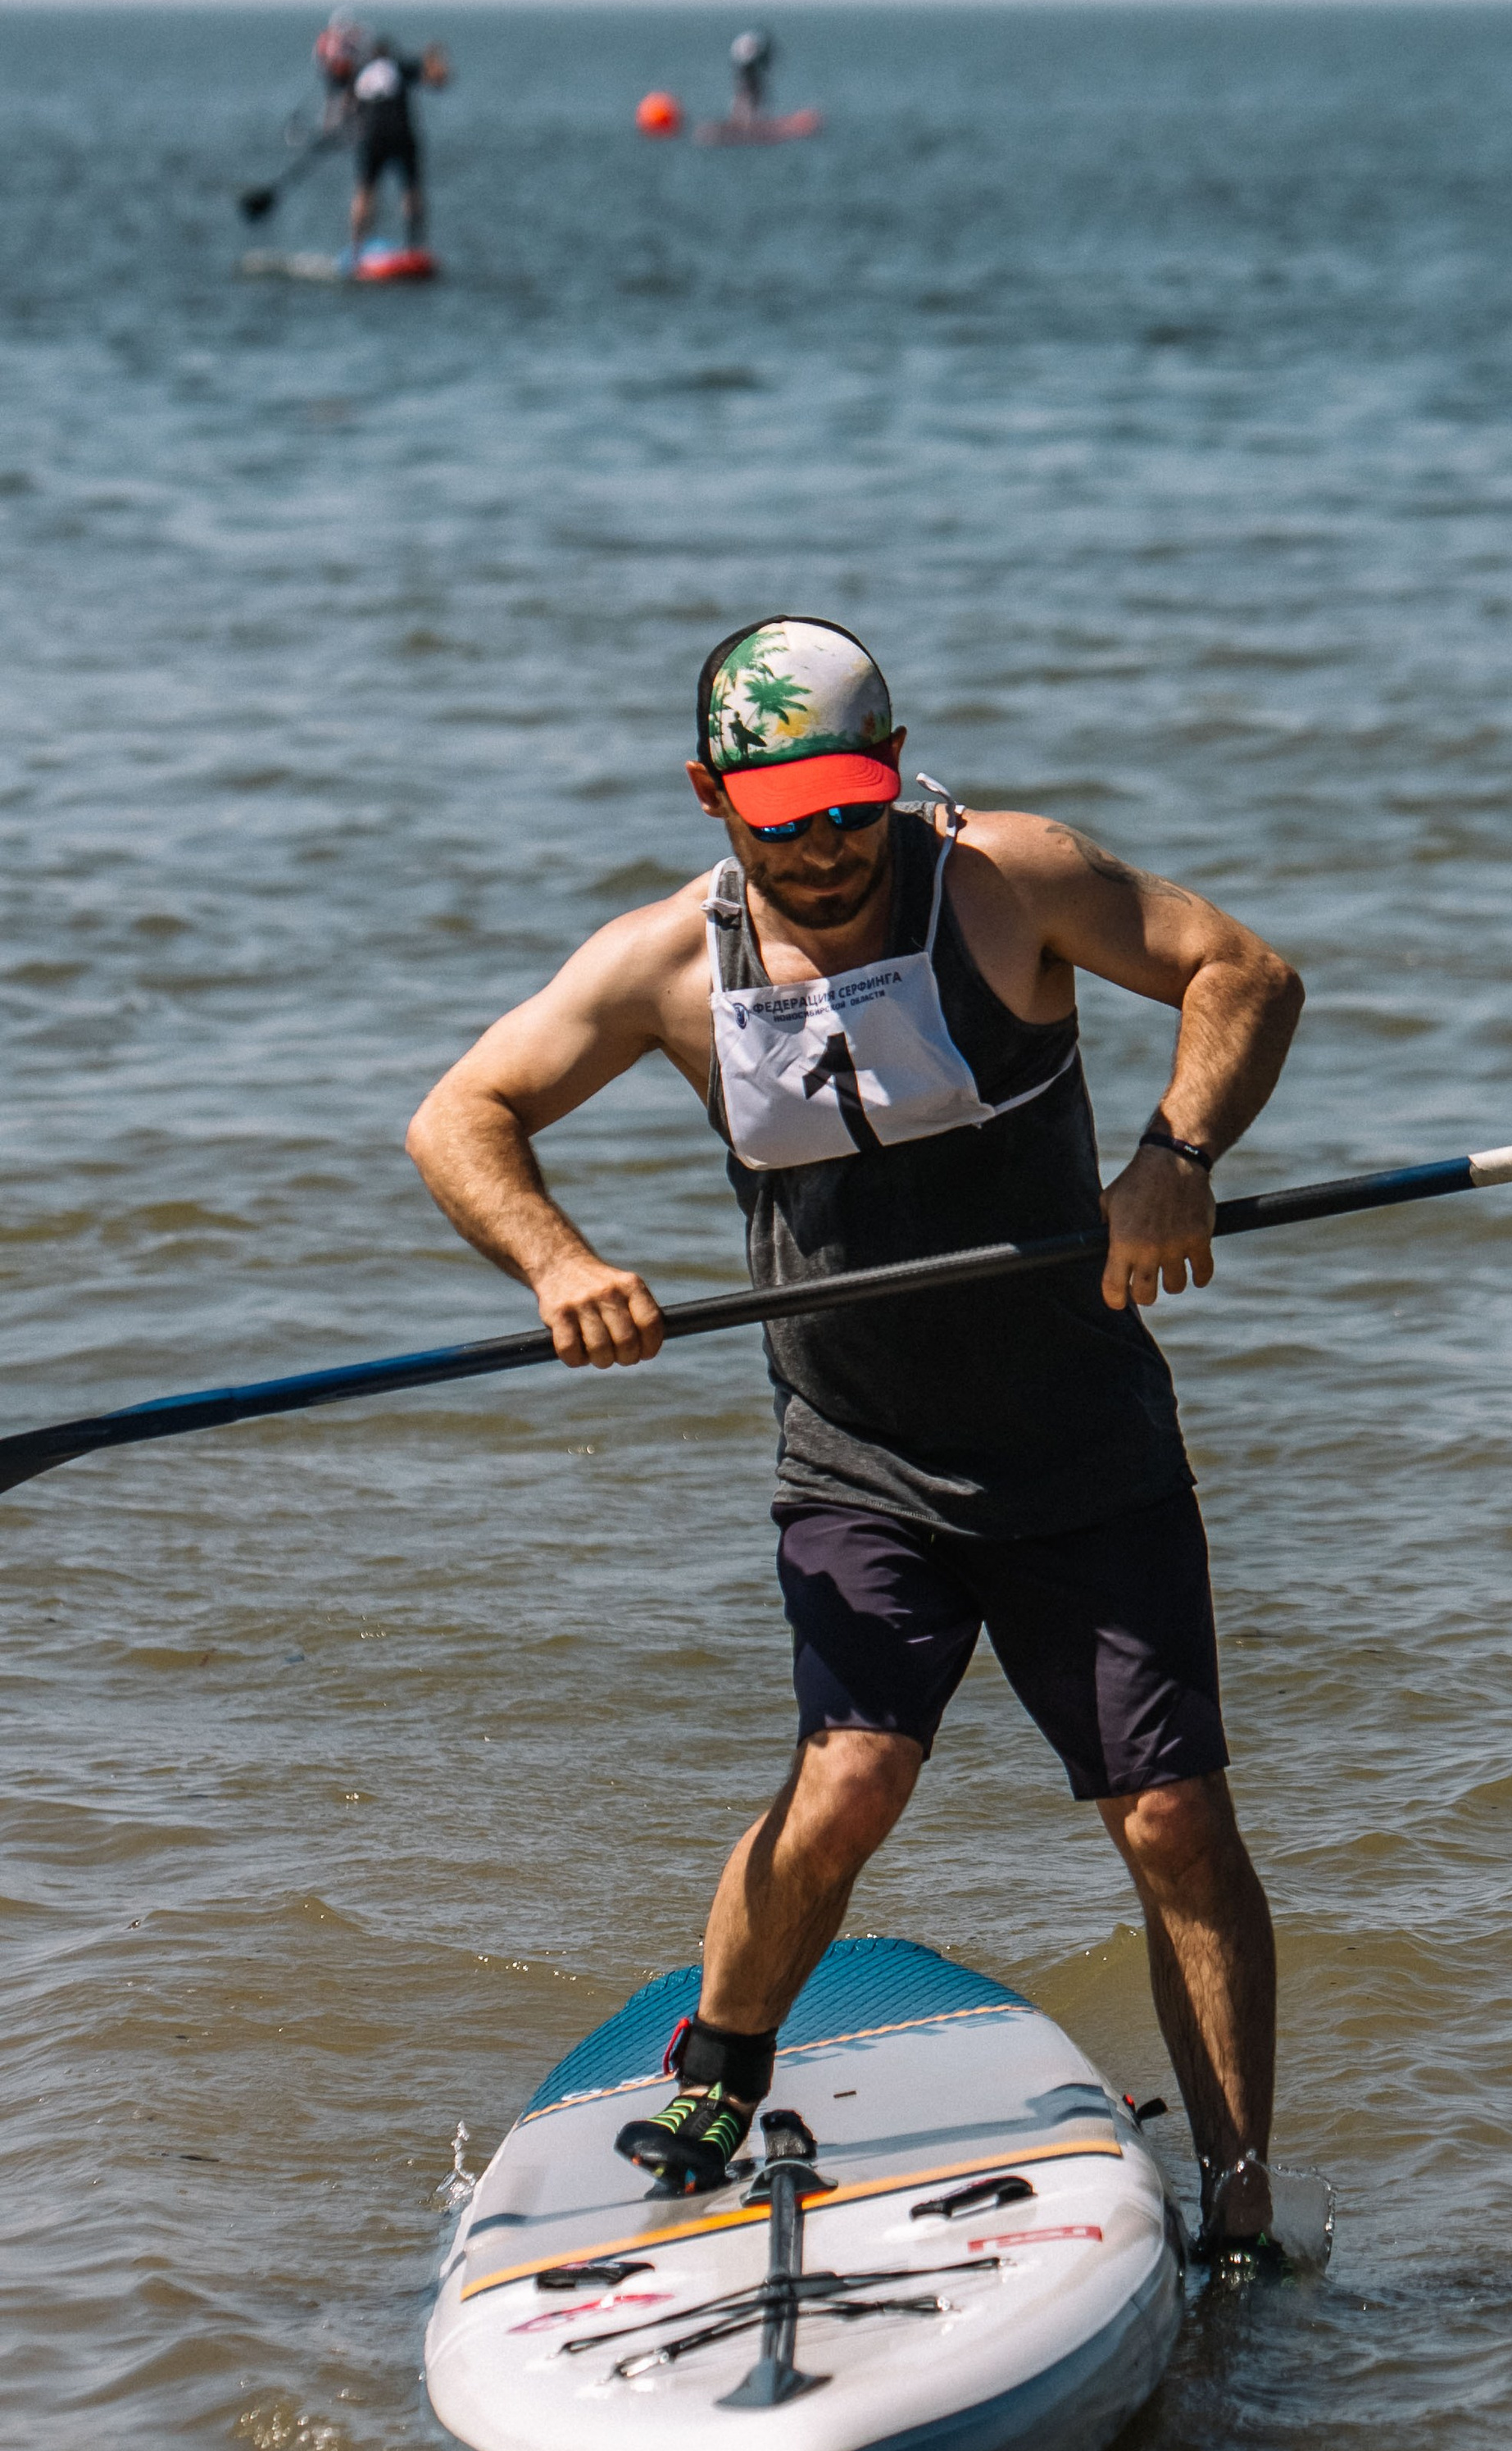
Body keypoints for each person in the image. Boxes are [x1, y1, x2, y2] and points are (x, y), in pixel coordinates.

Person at [404, 620, 1305, 2256]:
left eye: (852, 803)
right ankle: (717, 2072)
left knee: (1171, 1818)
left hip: (1080, 1444)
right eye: (783, 812)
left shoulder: (1008, 883)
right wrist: (562, 1263)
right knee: (847, 1785)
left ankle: (1243, 2199)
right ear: (708, 794)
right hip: (857, 1458)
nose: (824, 846)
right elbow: (461, 1115)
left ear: (894, 773)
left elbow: (1239, 970)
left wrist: (1174, 1155)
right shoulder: (664, 967)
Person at [344, 35, 451, 257]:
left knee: (365, 190)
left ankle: (356, 248)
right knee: (411, 190)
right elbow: (437, 80)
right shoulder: (399, 67)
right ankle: (415, 246)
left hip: (372, 137)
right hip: (402, 134)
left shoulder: (360, 73)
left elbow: (349, 109)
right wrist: (434, 57)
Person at [728, 27, 772, 121]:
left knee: (751, 90)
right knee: (749, 91)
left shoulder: (747, 46)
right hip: (745, 66)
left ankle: (751, 117)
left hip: (745, 66)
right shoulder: (747, 47)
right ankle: (747, 119)